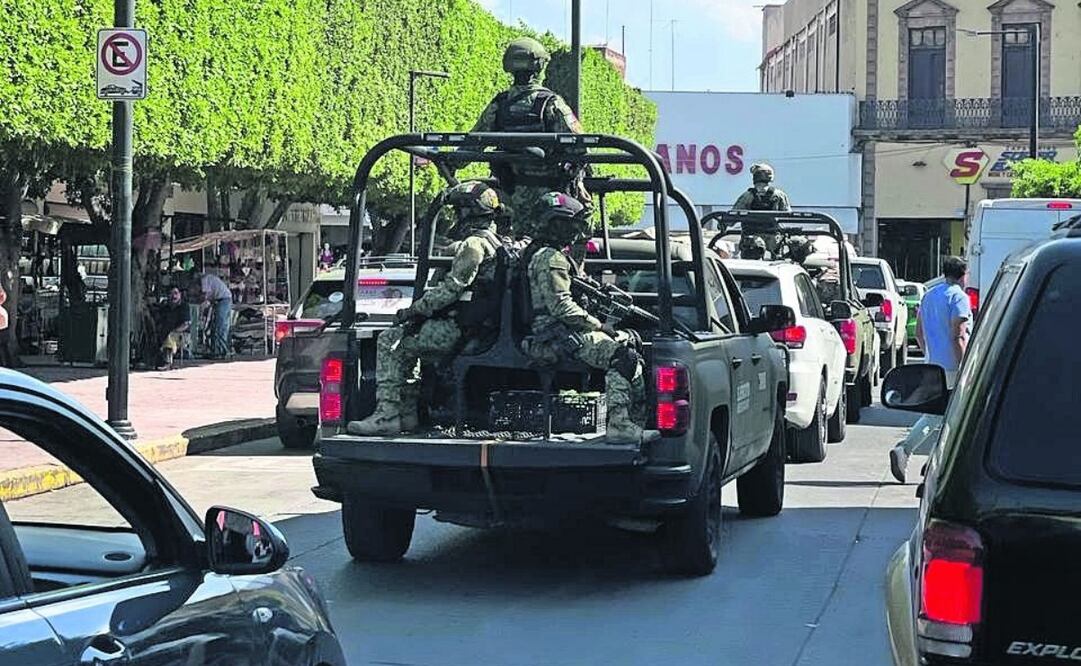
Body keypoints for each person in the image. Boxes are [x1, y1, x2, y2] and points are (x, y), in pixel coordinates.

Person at [348, 182, 510, 436]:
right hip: (477, 327)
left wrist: (414, 311)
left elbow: (450, 289)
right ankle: (408, 415)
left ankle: (387, 415)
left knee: (390, 341)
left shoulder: (473, 246)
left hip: (462, 330)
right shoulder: (496, 243)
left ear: (467, 213)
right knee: (410, 342)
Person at [522, 192, 657, 445]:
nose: (578, 229)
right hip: (555, 336)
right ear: (559, 224)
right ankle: (620, 426)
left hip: (555, 332)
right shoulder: (551, 258)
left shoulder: (539, 253)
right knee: (623, 358)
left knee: (630, 348)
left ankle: (631, 423)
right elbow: (561, 307)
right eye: (573, 223)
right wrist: (600, 325)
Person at [467, 37, 587, 236]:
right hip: (552, 198)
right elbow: (581, 146)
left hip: (511, 196)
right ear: (540, 66)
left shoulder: (500, 104)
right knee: (584, 218)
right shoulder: (552, 103)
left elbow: (473, 144)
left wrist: (449, 162)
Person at [889, 256, 972, 483]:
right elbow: (959, 335)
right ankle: (909, 451)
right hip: (954, 365)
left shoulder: (929, 295)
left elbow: (919, 334)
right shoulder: (959, 298)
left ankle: (929, 458)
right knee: (951, 416)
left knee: (940, 414)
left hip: (934, 362)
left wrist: (930, 354)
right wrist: (966, 365)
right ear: (963, 274)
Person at [200, 271, 233, 358]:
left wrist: (201, 306)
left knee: (220, 326)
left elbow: (205, 296)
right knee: (216, 326)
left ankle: (221, 351)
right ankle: (217, 350)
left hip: (223, 300)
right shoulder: (210, 277)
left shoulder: (204, 279)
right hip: (222, 300)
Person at [156, 287, 191, 370]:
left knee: (170, 337)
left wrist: (174, 331)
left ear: (180, 295)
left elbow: (186, 324)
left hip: (182, 334)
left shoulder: (184, 306)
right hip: (166, 332)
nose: (173, 296)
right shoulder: (166, 307)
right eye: (171, 294)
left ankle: (168, 363)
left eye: (175, 293)